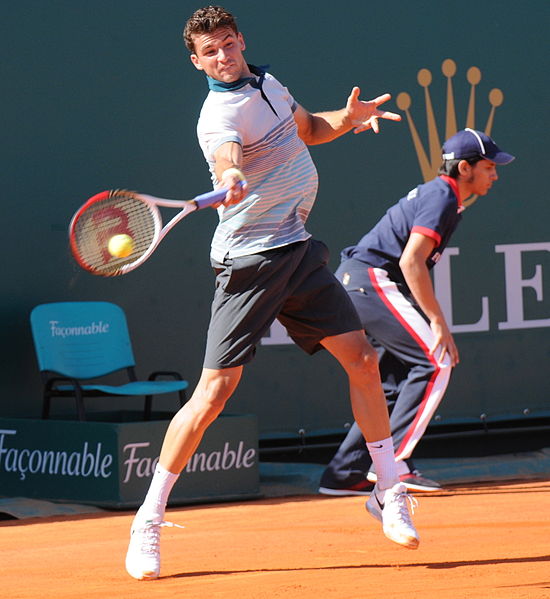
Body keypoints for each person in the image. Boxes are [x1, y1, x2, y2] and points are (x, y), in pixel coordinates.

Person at [125, 4, 420, 581]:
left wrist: (348, 117)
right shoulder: (218, 115)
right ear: (196, 61)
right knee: (214, 392)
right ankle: (148, 518)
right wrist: (231, 176)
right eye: (210, 51)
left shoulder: (268, 82)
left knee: (362, 360)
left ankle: (387, 490)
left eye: (228, 44)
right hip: (250, 263)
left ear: (240, 41)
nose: (223, 55)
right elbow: (225, 155)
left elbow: (309, 129)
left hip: (298, 248)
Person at [319, 128, 515, 496]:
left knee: (389, 382)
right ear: (464, 168)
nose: (495, 174)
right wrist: (438, 322)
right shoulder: (442, 196)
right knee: (435, 360)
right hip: (370, 281)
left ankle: (345, 472)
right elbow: (412, 262)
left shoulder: (446, 199)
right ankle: (393, 464)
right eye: (489, 167)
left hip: (360, 283)